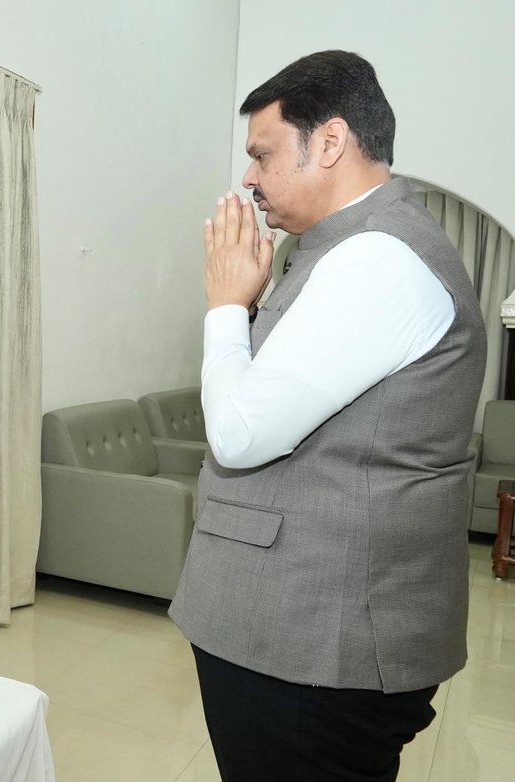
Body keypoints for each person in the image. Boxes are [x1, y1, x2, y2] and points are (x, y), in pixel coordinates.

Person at [168, 50, 485, 781]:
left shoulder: (378, 256)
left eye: (262, 154)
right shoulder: (338, 251)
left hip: (315, 645)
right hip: (293, 633)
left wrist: (224, 305)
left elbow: (241, 434)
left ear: (331, 141)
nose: (248, 177)